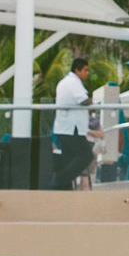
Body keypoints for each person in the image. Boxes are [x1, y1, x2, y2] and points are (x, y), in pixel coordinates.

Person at [50, 55, 93, 190]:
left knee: (68, 159)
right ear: (77, 71)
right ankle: (59, 180)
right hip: (72, 128)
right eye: (85, 70)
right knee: (86, 155)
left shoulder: (64, 82)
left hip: (63, 128)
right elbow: (83, 100)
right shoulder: (74, 82)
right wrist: (95, 101)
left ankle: (63, 188)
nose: (87, 73)